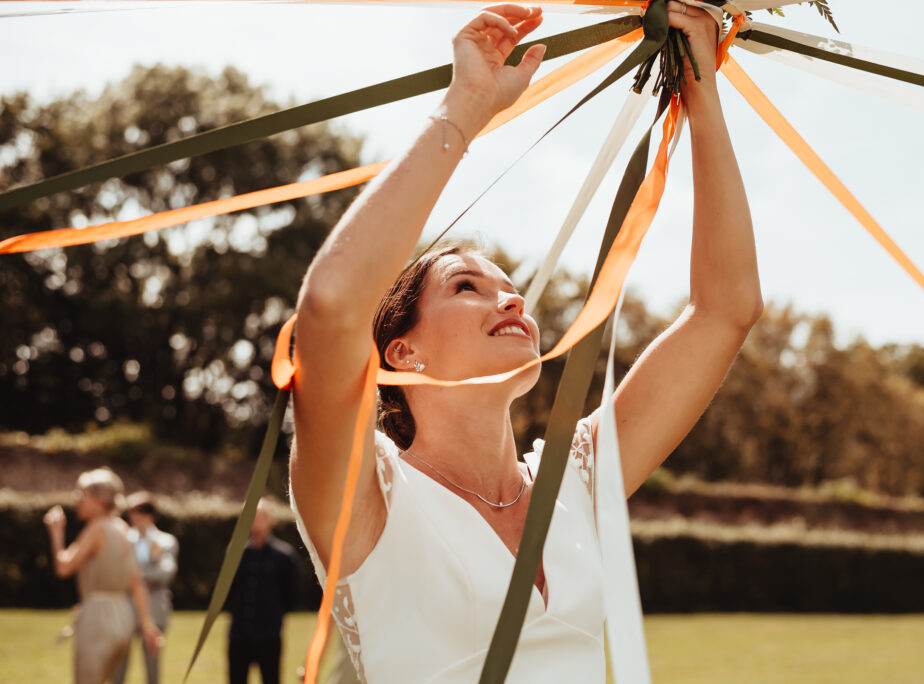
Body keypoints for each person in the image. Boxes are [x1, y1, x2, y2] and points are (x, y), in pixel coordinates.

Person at [288, 3, 761, 682]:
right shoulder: (368, 494)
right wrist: (467, 106)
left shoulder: (576, 479)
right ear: (403, 353)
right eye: (465, 287)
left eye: (510, 287)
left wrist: (703, 86)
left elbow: (727, 310)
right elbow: (331, 308)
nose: (509, 297)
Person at [44, 467, 162, 684]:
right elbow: (136, 582)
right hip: (123, 618)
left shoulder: (97, 528)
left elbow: (64, 567)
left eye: (82, 494)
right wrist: (147, 625)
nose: (76, 499)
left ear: (99, 500)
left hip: (97, 618)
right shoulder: (123, 529)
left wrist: (56, 531)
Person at [225, 496, 298, 684]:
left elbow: (290, 595)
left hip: (269, 634)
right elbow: (228, 590)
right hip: (239, 634)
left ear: (271, 520)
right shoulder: (235, 552)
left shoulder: (284, 556)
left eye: (260, 516)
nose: (254, 521)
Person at [112, 491, 179, 684]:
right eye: (132, 513)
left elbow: (166, 573)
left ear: (150, 516)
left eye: (139, 513)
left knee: (152, 665)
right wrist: (149, 572)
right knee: (119, 665)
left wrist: (133, 576)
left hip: (155, 609)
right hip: (125, 609)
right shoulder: (124, 539)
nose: (135, 518)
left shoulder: (165, 541)